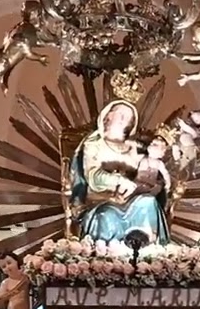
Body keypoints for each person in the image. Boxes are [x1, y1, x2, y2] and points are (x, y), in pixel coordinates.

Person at [70, 100, 169, 245]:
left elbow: (151, 168)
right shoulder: (94, 144)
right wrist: (118, 180)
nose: (125, 119)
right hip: (103, 200)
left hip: (132, 200)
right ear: (108, 116)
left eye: (128, 116)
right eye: (121, 113)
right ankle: (105, 257)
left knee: (149, 203)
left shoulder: (134, 147)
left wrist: (157, 184)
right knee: (106, 215)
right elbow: (92, 177)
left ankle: (149, 254)